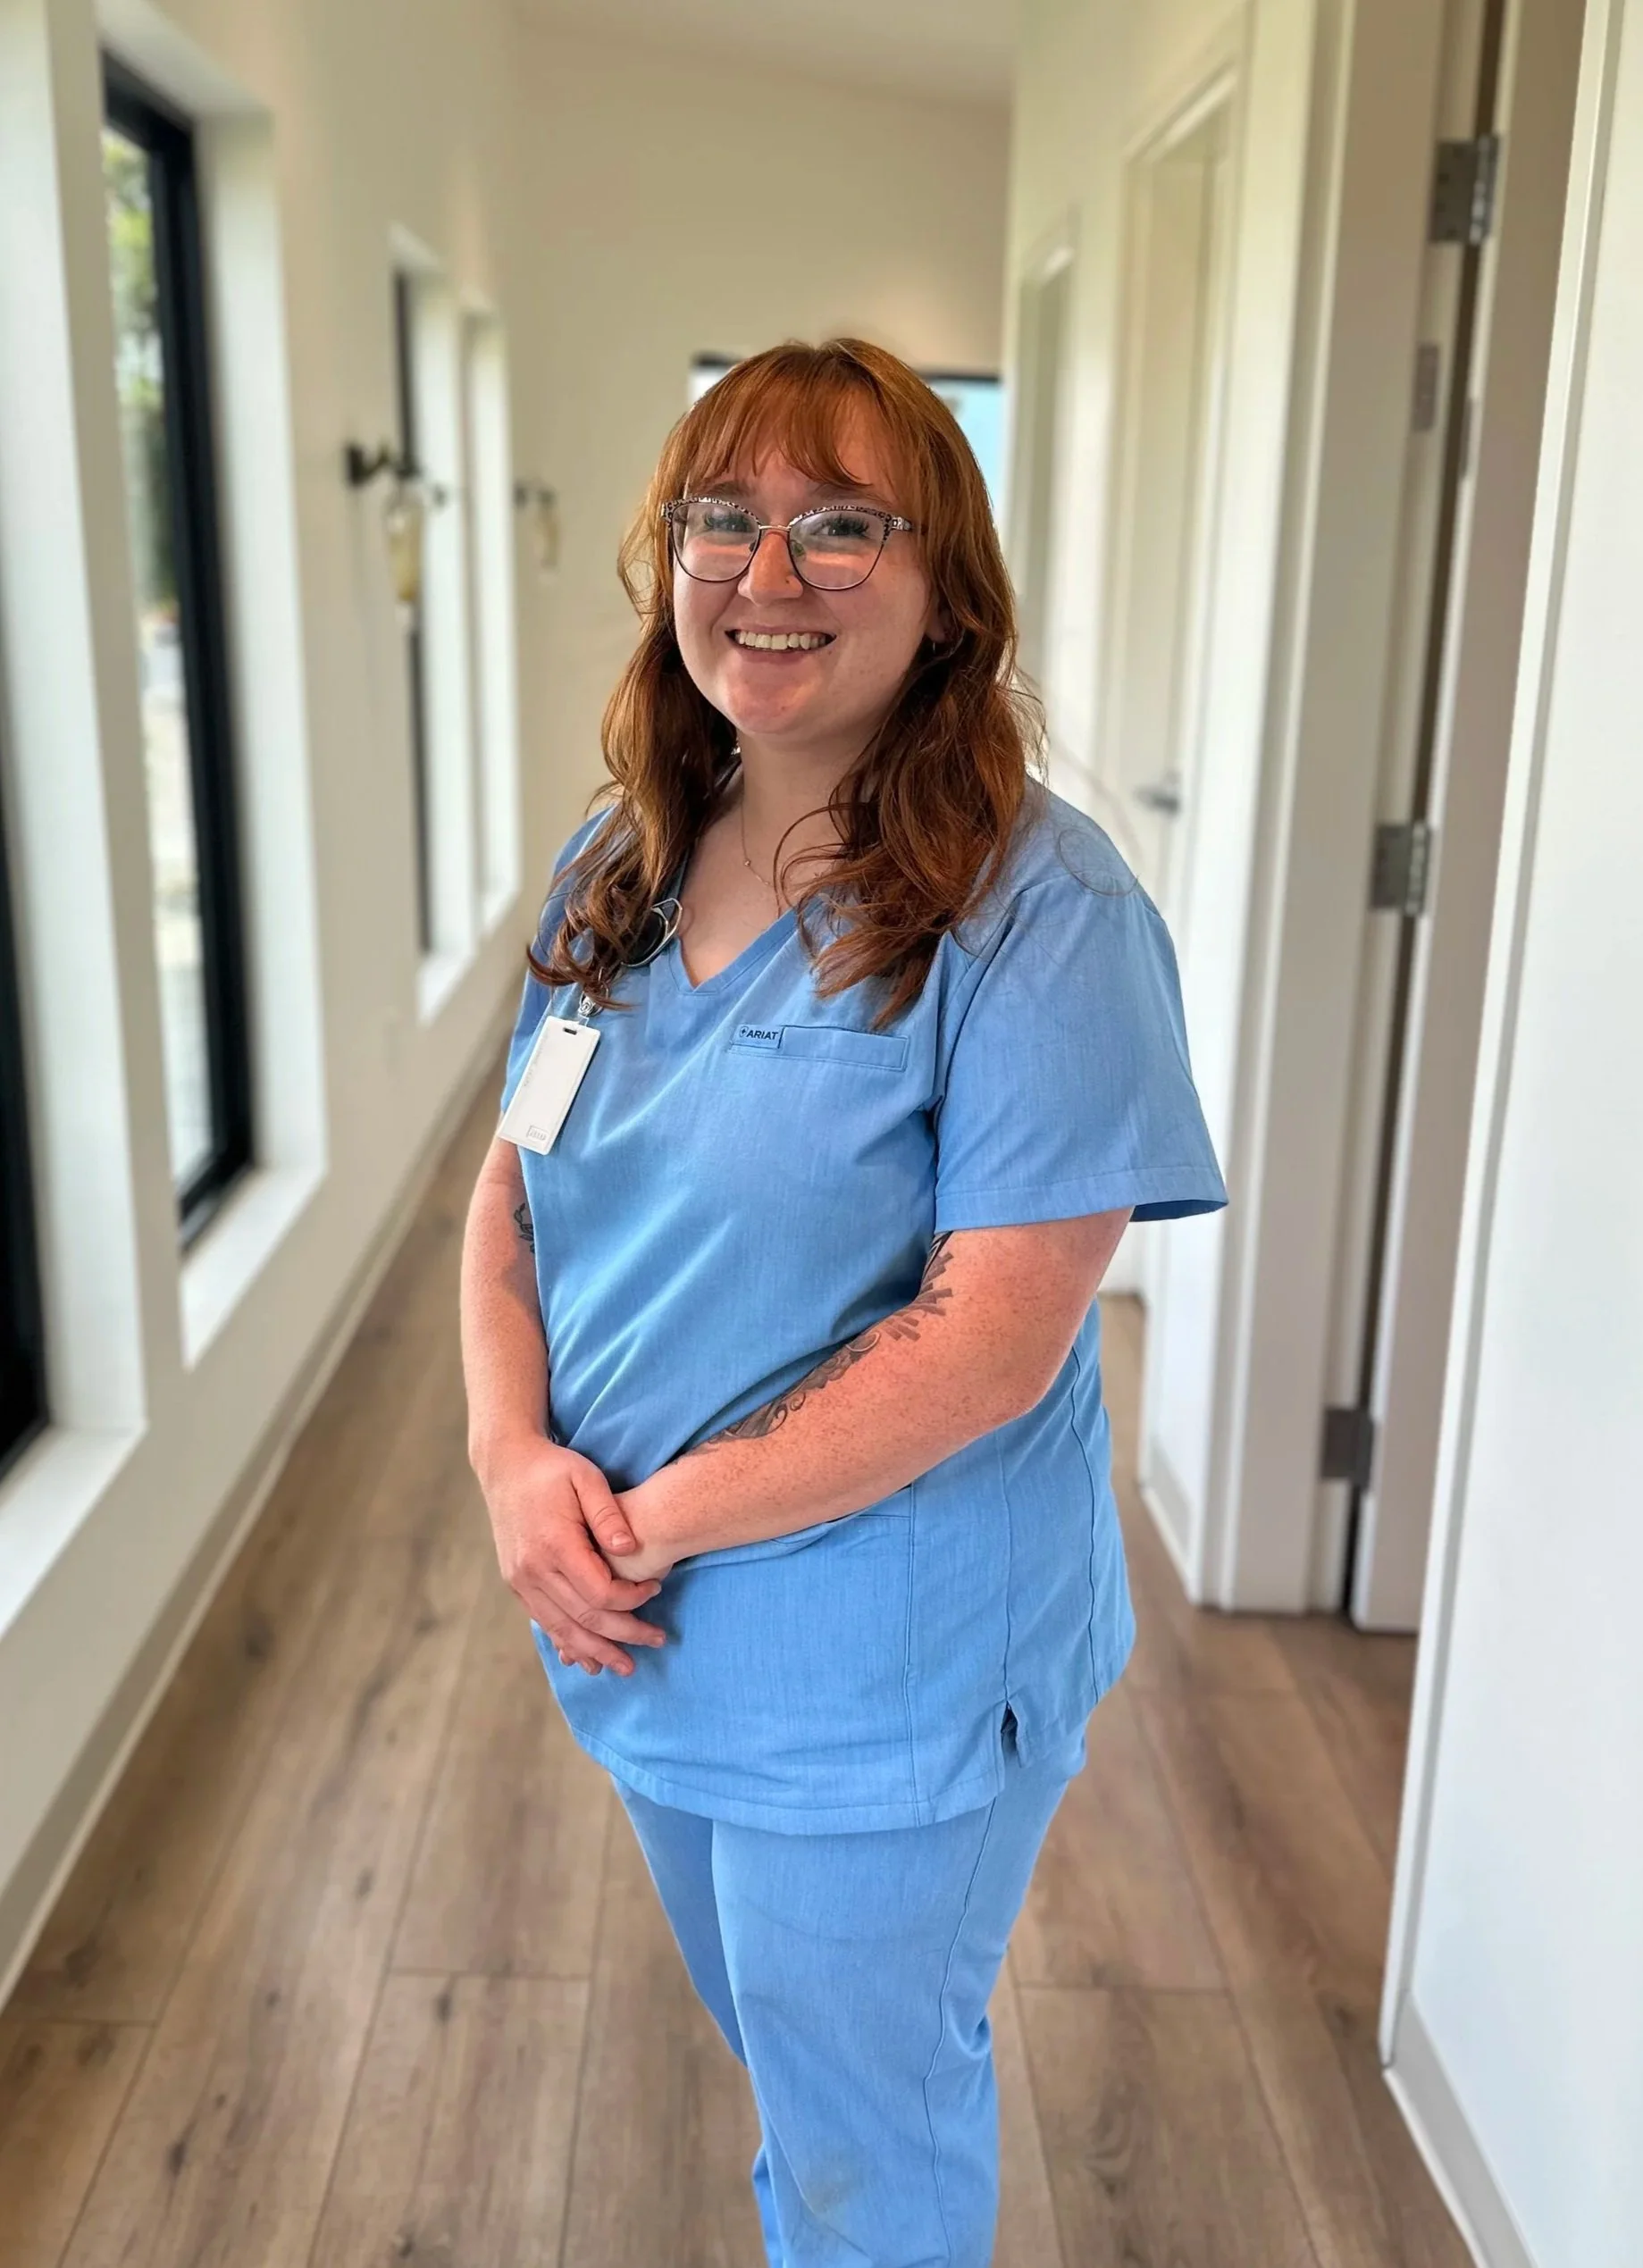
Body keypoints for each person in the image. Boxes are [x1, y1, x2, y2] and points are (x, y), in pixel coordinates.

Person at [459, 336, 1226, 2268]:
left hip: (881, 1663)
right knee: (788, 2055)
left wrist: (630, 1523)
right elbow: (512, 1186)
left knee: (862, 2141)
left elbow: (991, 1342)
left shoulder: (1042, 916)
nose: (765, 572)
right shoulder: (619, 859)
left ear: (945, 589)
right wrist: (505, 1458)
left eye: (839, 527)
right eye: (723, 518)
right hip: (643, 1628)